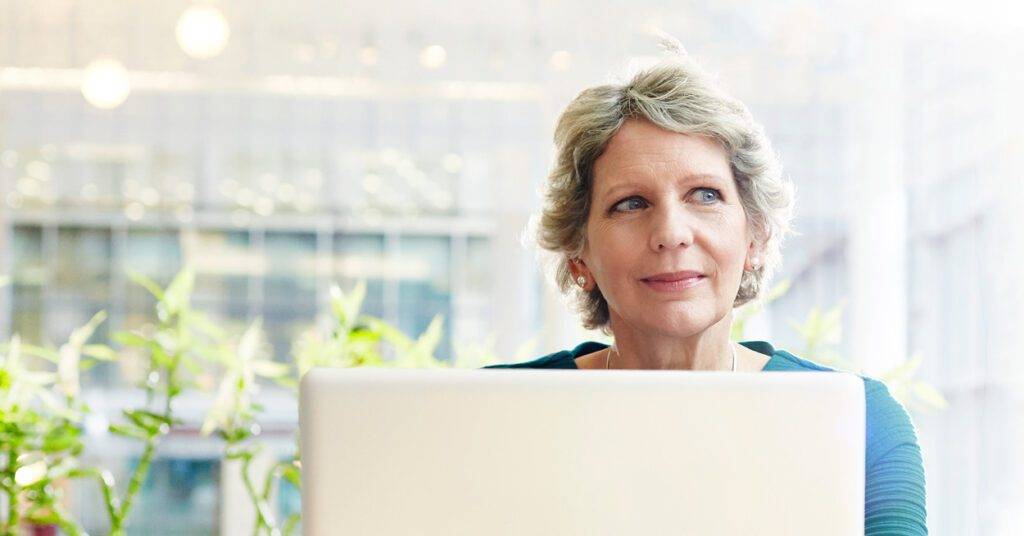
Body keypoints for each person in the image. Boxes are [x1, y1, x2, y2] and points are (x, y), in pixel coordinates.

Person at [483, 44, 927, 535]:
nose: (671, 232)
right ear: (580, 256)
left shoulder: (864, 423)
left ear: (754, 236)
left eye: (705, 195)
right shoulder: (488, 418)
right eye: (630, 203)